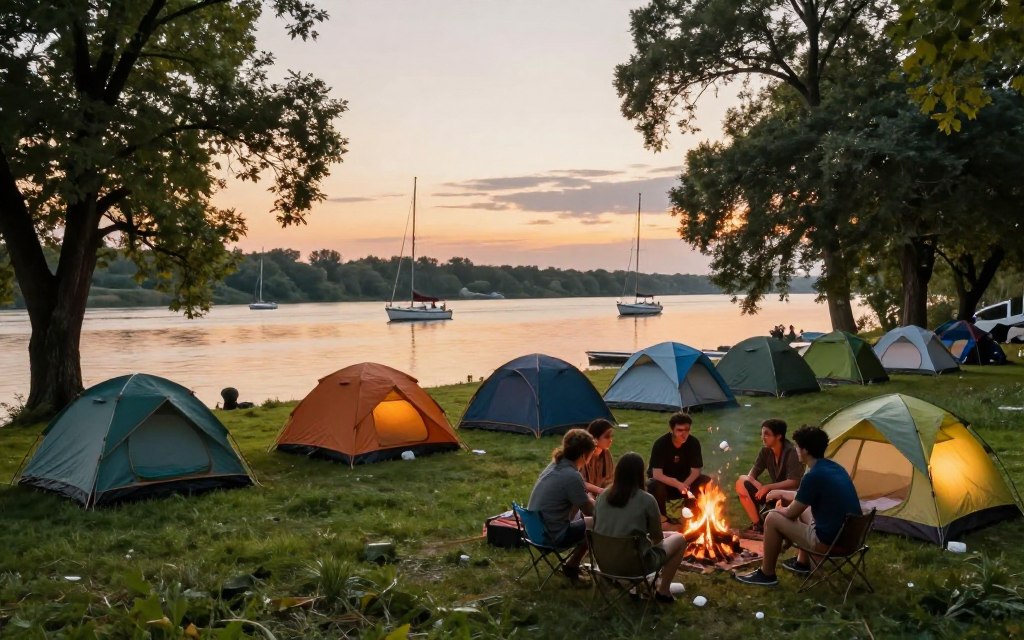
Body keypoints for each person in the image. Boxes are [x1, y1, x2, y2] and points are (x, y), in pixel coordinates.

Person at [735, 425, 861, 587]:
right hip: (851, 537)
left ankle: (767, 574)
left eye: (797, 446)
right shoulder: (834, 468)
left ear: (805, 451)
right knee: (806, 508)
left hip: (829, 542)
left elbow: (790, 514)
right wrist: (780, 493)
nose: (795, 449)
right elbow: (803, 498)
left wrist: (778, 509)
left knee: (772, 518)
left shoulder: (813, 476)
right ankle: (802, 563)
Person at [594, 452, 688, 603]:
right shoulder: (646, 500)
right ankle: (663, 591)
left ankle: (640, 586)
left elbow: (599, 525)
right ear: (640, 474)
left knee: (667, 536)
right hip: (635, 566)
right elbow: (658, 539)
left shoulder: (602, 496)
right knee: (680, 539)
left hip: (604, 563)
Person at [527, 428, 597, 580]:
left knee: (583, 517)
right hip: (551, 536)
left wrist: (587, 498)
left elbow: (578, 501)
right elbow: (591, 511)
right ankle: (572, 566)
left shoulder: (554, 465)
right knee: (596, 525)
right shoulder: (572, 476)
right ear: (584, 454)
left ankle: (573, 565)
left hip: (534, 529)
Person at [734, 419, 804, 533]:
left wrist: (768, 487)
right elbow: (752, 473)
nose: (763, 437)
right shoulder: (765, 451)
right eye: (762, 434)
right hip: (772, 493)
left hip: (789, 495)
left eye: (767, 434)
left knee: (745, 481)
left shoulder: (791, 452)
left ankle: (773, 515)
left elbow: (794, 481)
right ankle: (757, 524)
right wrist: (755, 482)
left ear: (779, 436)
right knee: (741, 482)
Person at [646, 412, 710, 521]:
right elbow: (657, 474)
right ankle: (662, 519)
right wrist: (677, 484)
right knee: (654, 485)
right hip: (665, 483)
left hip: (685, 482)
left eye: (687, 430)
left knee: (705, 481)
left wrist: (684, 484)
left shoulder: (693, 443)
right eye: (680, 430)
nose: (684, 434)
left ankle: (695, 516)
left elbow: (696, 470)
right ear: (672, 430)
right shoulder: (661, 444)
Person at [582, 419, 615, 495]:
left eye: (611, 436)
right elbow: (579, 482)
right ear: (595, 438)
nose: (610, 440)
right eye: (607, 437)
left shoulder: (606, 454)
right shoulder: (583, 456)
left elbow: (610, 479)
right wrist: (599, 490)